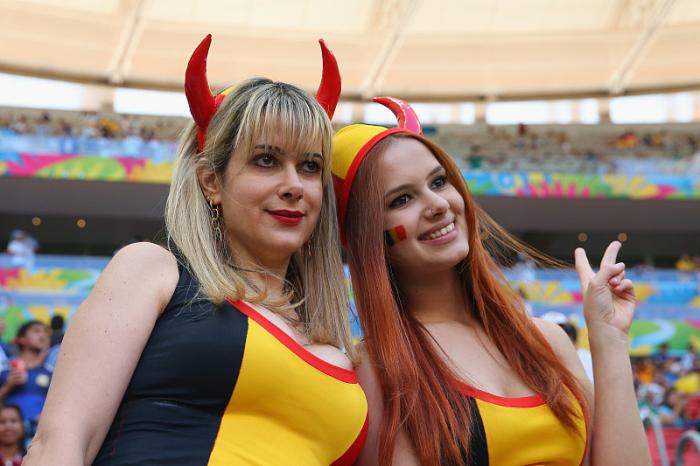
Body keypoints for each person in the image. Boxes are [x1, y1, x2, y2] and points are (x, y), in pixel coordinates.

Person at [24, 35, 367, 466]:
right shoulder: (152, 271)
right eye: (266, 160)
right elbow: (60, 443)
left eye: (310, 166)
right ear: (211, 182)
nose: (294, 185)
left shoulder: (342, 348)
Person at [331, 97, 651, 465]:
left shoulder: (547, 340)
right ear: (368, 236)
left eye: (439, 181)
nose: (438, 204)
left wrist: (610, 340)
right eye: (402, 199)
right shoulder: (375, 371)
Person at [0, 321, 52, 440]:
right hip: (9, 437)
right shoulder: (5, 369)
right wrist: (8, 386)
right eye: (36, 331)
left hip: (39, 436)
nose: (43, 335)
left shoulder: (50, 372)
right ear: (22, 339)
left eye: (45, 332)